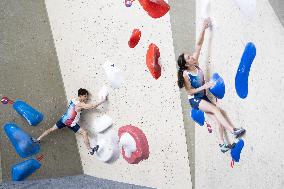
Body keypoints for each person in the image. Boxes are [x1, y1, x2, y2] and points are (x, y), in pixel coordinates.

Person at [177, 18, 245, 153]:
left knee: (217, 119)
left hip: (203, 98)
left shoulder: (194, 62)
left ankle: (222, 145)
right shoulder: (186, 74)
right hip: (195, 100)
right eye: (189, 58)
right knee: (217, 111)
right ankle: (233, 131)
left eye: (190, 56)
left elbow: (198, 44)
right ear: (186, 64)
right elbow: (189, 92)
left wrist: (203, 27)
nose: (192, 57)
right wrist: (205, 86)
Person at [33, 88, 107, 155]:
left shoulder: (73, 99)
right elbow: (92, 106)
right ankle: (90, 150)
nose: (86, 98)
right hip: (70, 123)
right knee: (84, 133)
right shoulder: (80, 104)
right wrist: (102, 101)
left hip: (63, 120)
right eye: (85, 96)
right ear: (81, 96)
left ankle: (38, 139)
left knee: (51, 129)